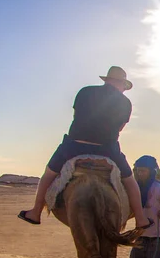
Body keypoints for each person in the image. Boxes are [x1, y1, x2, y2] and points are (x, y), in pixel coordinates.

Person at [17, 66, 152, 230]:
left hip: (74, 146)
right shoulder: (125, 102)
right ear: (121, 84)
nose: (124, 89)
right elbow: (120, 128)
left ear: (107, 80)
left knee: (48, 175)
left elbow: (76, 117)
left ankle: (36, 212)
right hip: (107, 149)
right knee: (130, 181)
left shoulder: (85, 92)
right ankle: (140, 218)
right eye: (124, 86)